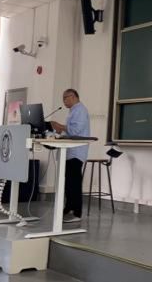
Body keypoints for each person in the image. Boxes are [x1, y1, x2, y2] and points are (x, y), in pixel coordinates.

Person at [50, 89, 90, 223]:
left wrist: (60, 126)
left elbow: (76, 131)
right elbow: (70, 131)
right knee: (68, 183)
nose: (64, 101)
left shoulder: (80, 110)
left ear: (73, 97)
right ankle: (68, 208)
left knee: (74, 183)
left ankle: (77, 213)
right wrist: (59, 131)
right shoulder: (73, 111)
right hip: (69, 151)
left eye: (65, 98)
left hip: (76, 152)